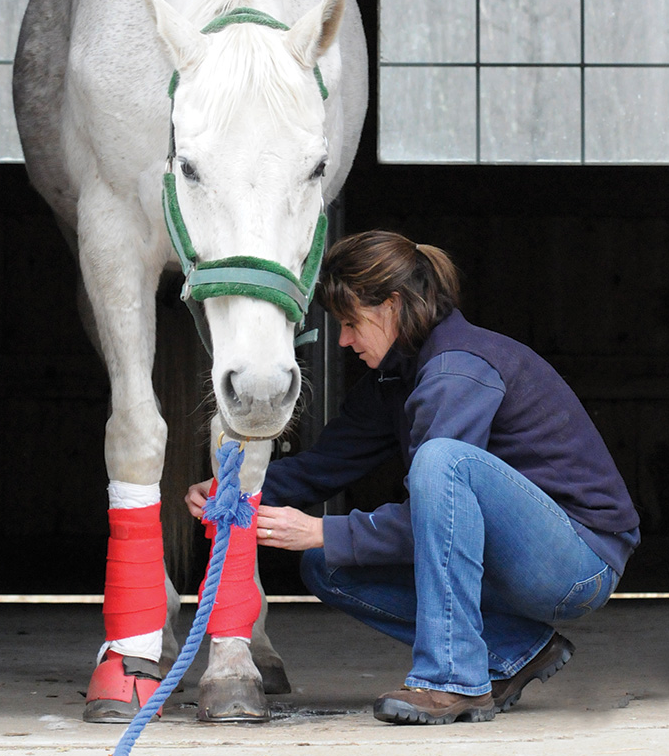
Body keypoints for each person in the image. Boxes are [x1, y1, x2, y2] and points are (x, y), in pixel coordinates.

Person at [186, 230, 640, 726]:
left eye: (350, 322)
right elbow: (324, 466)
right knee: (326, 564)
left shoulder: (456, 371)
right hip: (514, 559)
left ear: (392, 306)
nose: (343, 340)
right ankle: (515, 650)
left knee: (444, 461)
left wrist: (323, 529)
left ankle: (452, 679)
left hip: (575, 563)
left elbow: (439, 503)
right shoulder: (394, 378)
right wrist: (237, 490)